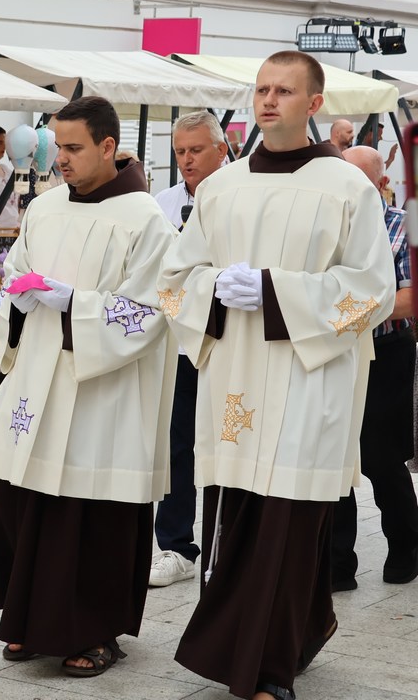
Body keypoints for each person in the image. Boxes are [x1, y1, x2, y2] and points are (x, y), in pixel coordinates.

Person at [160, 51, 395, 700]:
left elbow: (372, 290)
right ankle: (298, 628)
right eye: (262, 89)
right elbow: (175, 282)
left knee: (289, 524)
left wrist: (272, 292)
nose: (268, 100)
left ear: (314, 104)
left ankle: (265, 669)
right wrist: (213, 289)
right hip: (235, 380)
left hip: (306, 381)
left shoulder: (347, 187)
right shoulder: (221, 188)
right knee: (240, 518)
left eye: (285, 91)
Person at [0, 95, 176, 678]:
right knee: (9, 490)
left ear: (108, 147)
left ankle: (96, 631)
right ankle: (30, 620)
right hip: (38, 376)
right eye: (57, 146)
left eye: (74, 148)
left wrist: (75, 306)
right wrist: (22, 287)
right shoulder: (47, 207)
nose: (60, 158)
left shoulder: (146, 220)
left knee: (89, 511)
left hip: (101, 386)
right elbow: (19, 264)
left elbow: (150, 312)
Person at [330, 145, 418, 590]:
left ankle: (406, 544)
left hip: (386, 354)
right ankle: (338, 563)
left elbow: (409, 298)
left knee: (381, 459)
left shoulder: (403, 226)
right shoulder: (328, 227)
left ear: (381, 184)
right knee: (335, 456)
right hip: (336, 353)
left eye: (359, 180)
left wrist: (346, 310)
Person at [148, 111, 229, 588]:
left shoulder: (240, 195)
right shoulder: (164, 202)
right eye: (180, 151)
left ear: (221, 149)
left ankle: (224, 538)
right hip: (181, 343)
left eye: (196, 150)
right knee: (178, 443)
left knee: (226, 440)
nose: (186, 160)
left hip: (228, 342)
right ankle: (175, 545)